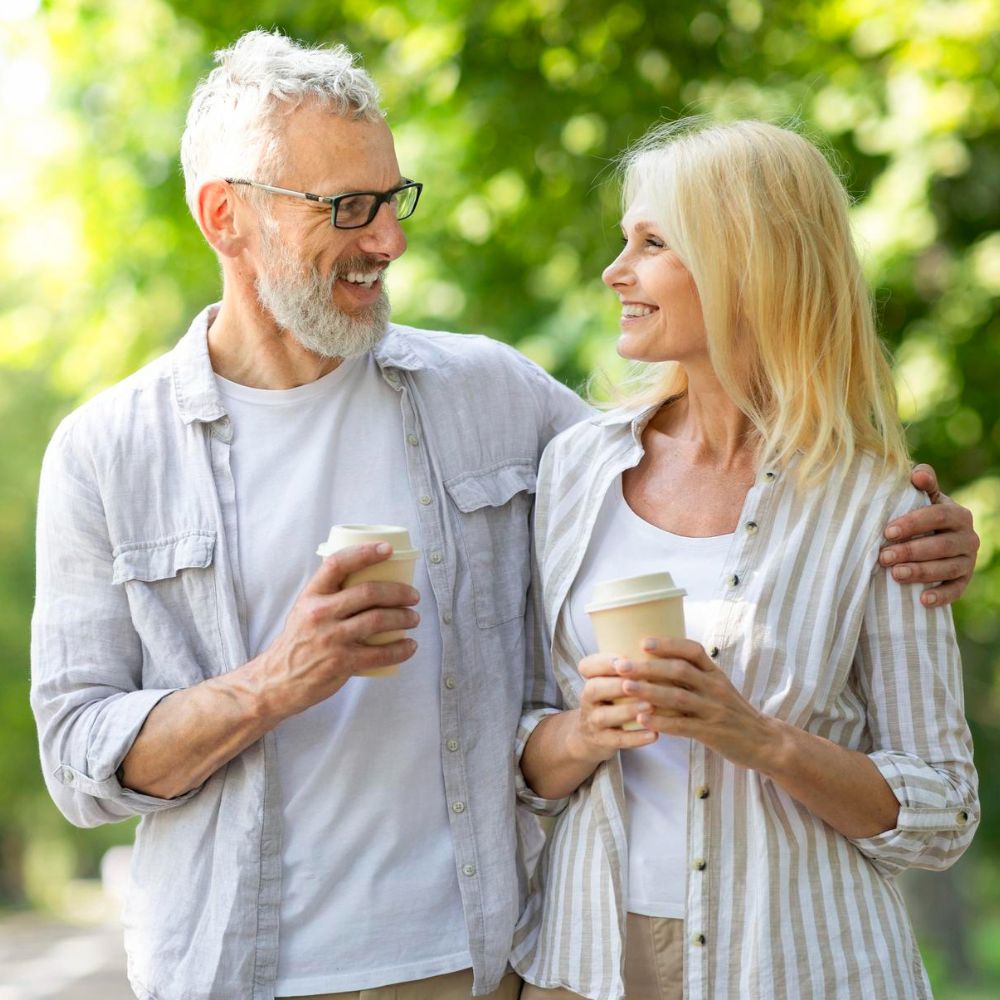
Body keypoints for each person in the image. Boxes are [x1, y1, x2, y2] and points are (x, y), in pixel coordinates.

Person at [28, 32, 974, 1000]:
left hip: (478, 962)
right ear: (226, 215)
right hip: (235, 963)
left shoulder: (494, 398)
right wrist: (275, 681)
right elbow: (77, 762)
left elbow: (717, 476)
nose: (388, 239)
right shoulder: (108, 453)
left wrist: (927, 527)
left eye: (392, 200)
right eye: (346, 208)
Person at [512, 120, 980, 1000]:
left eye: (652, 245)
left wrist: (755, 736)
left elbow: (943, 812)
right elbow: (522, 749)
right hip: (586, 961)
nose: (617, 273)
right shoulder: (575, 467)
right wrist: (581, 731)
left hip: (799, 963)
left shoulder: (879, 507)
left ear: (746, 266)